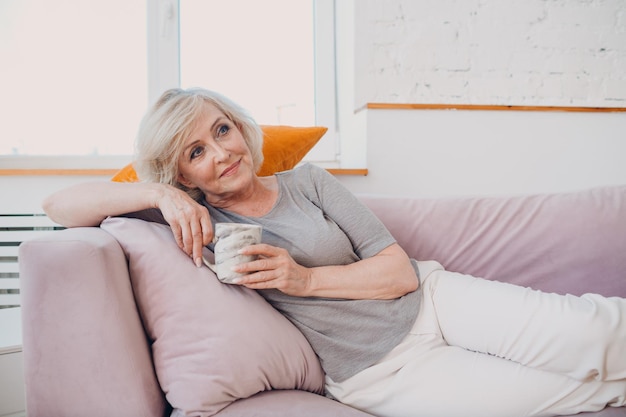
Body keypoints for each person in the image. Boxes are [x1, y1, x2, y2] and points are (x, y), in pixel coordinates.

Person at [43, 87, 626, 417]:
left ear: (241, 129)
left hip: (435, 301)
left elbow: (397, 270)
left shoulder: (308, 182)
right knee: (562, 396)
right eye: (195, 151)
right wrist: (156, 194)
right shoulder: (198, 221)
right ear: (182, 174)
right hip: (377, 373)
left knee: (592, 334)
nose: (220, 152)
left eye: (222, 130)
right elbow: (58, 207)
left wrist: (302, 281)